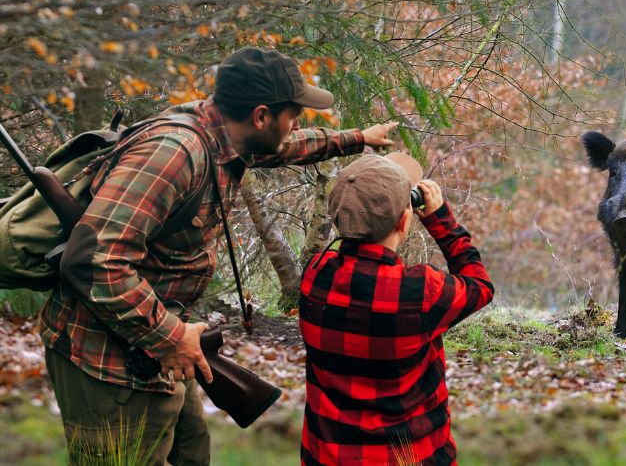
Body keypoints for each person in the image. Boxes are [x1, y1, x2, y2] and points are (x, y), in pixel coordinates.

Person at [40, 46, 399, 465]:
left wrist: (358, 139)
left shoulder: (226, 134)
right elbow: (93, 259)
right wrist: (171, 338)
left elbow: (286, 146)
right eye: (293, 113)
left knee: (193, 455)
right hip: (107, 359)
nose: (297, 123)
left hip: (153, 341)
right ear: (261, 116)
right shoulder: (174, 154)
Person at [299, 153, 494, 465]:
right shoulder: (421, 292)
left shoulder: (315, 274)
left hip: (328, 456)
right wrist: (442, 221)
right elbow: (480, 286)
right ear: (404, 221)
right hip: (412, 457)